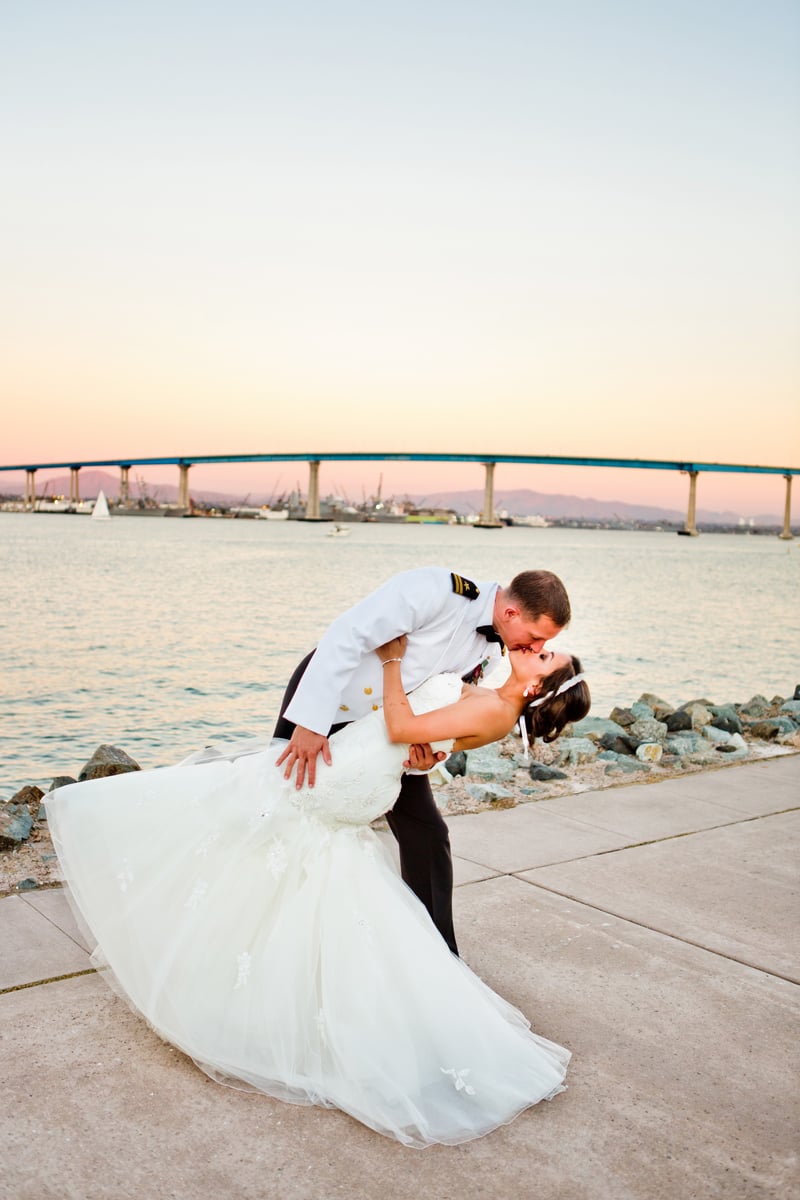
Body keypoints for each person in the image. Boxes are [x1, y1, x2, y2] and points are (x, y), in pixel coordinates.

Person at [46, 640, 589, 1148]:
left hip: (351, 772)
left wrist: (393, 661)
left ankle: (175, 919)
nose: (535, 652)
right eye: (541, 646)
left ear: (539, 689)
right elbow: (422, 736)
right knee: (285, 856)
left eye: (545, 658)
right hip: (364, 763)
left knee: (236, 809)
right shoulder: (492, 694)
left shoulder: (496, 711)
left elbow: (401, 723)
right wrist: (431, 750)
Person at [273, 565, 571, 954]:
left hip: (391, 735)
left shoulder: (497, 651)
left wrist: (431, 756)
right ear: (512, 613)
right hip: (332, 701)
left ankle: (438, 953)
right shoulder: (438, 591)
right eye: (534, 638)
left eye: (542, 645)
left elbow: (448, 709)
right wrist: (311, 721)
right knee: (281, 803)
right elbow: (348, 633)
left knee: (427, 834)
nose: (533, 649)